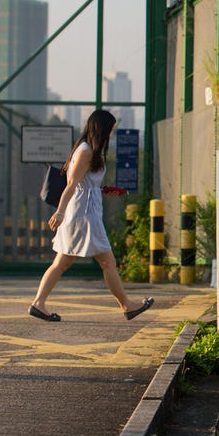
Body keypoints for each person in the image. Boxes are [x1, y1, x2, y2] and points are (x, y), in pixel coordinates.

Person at [29, 109, 153, 322]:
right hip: (84, 216)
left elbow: (84, 184)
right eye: (109, 130)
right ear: (101, 129)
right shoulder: (86, 151)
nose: (110, 134)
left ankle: (38, 303)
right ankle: (127, 305)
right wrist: (59, 212)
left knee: (63, 263)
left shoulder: (85, 148)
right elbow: (71, 184)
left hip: (83, 212)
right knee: (107, 262)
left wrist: (103, 189)